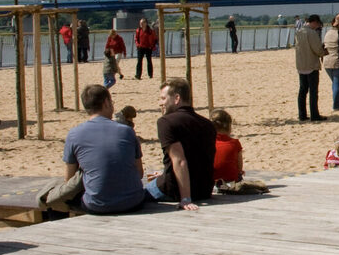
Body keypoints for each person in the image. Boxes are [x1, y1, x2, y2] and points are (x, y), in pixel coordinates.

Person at [62, 85, 147, 214]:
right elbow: (139, 173)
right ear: (106, 103)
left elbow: (69, 179)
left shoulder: (74, 134)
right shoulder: (127, 131)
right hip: (133, 201)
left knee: (58, 203)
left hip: (97, 205)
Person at [146, 78, 217, 211]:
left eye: (163, 98)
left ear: (177, 98)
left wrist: (185, 199)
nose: (160, 103)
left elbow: (180, 161)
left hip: (173, 190)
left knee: (135, 194)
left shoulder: (166, 122)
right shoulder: (208, 124)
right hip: (204, 190)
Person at [295, 14, 328, 121]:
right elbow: (317, 49)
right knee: (313, 92)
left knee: (302, 90)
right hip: (311, 65)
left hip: (301, 65)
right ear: (314, 22)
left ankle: (302, 114)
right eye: (318, 24)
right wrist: (324, 52)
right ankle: (314, 114)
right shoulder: (311, 33)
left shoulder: (299, 32)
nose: (317, 26)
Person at [210, 109, 244, 185]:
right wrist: (240, 172)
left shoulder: (209, 142)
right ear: (229, 126)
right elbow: (239, 165)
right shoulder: (235, 143)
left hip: (212, 179)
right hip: (232, 180)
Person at [323, 15, 339, 112]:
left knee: (335, 83)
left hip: (327, 61)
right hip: (336, 61)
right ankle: (336, 105)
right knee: (337, 84)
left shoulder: (327, 33)